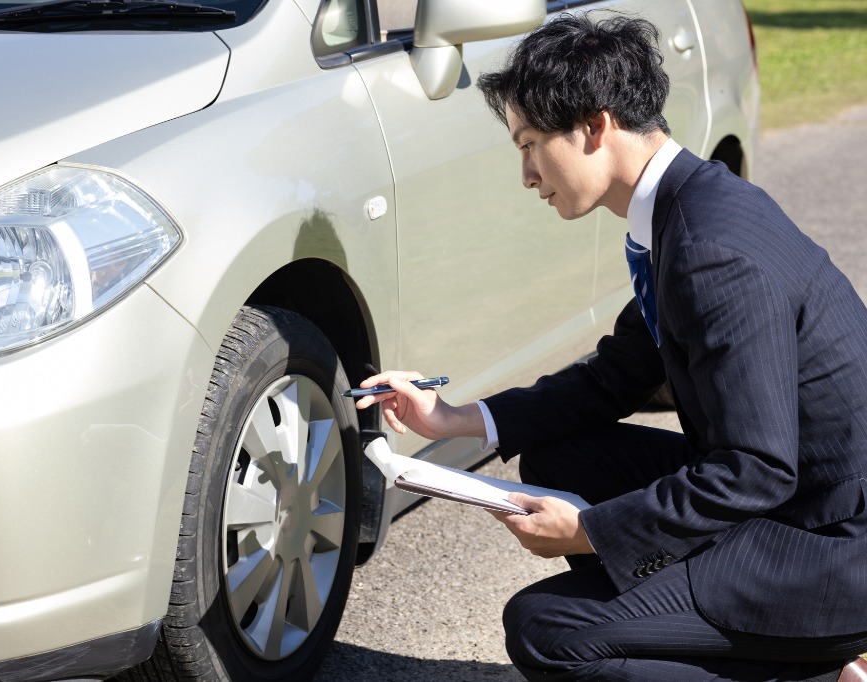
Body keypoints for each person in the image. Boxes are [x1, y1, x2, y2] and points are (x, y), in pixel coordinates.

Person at [354, 13, 867, 682]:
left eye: (531, 143)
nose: (527, 174)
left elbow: (756, 470)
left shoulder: (711, 253)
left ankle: (817, 670)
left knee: (546, 630)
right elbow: (613, 379)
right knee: (556, 455)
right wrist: (454, 419)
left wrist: (592, 532)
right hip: (797, 504)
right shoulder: (687, 209)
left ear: (595, 127)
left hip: (827, 550)